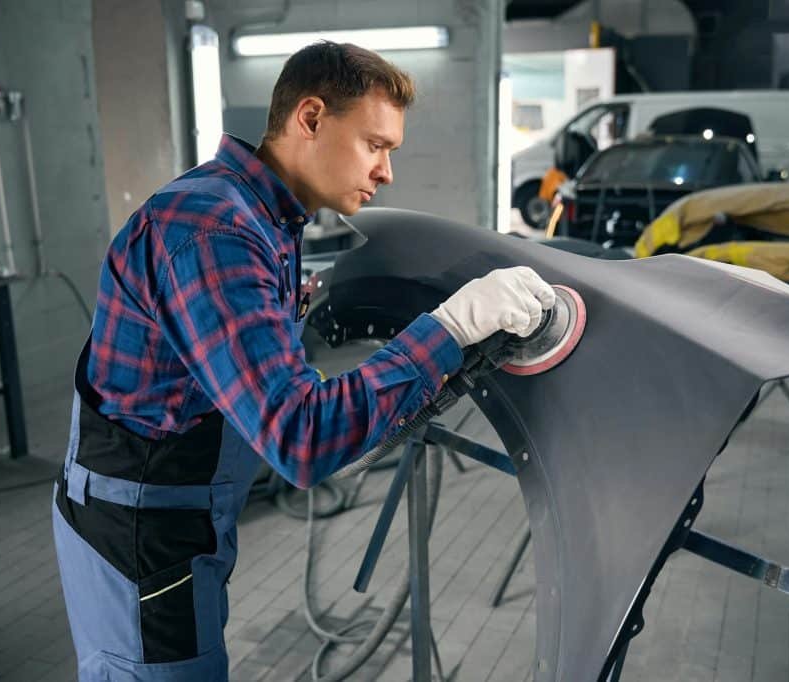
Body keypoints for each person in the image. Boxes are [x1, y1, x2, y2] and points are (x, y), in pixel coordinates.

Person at [52, 40, 555, 680]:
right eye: (376, 145)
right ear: (311, 118)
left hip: (184, 511)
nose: (386, 171)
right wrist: (449, 328)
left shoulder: (262, 217)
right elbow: (299, 438)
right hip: (141, 530)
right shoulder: (216, 231)